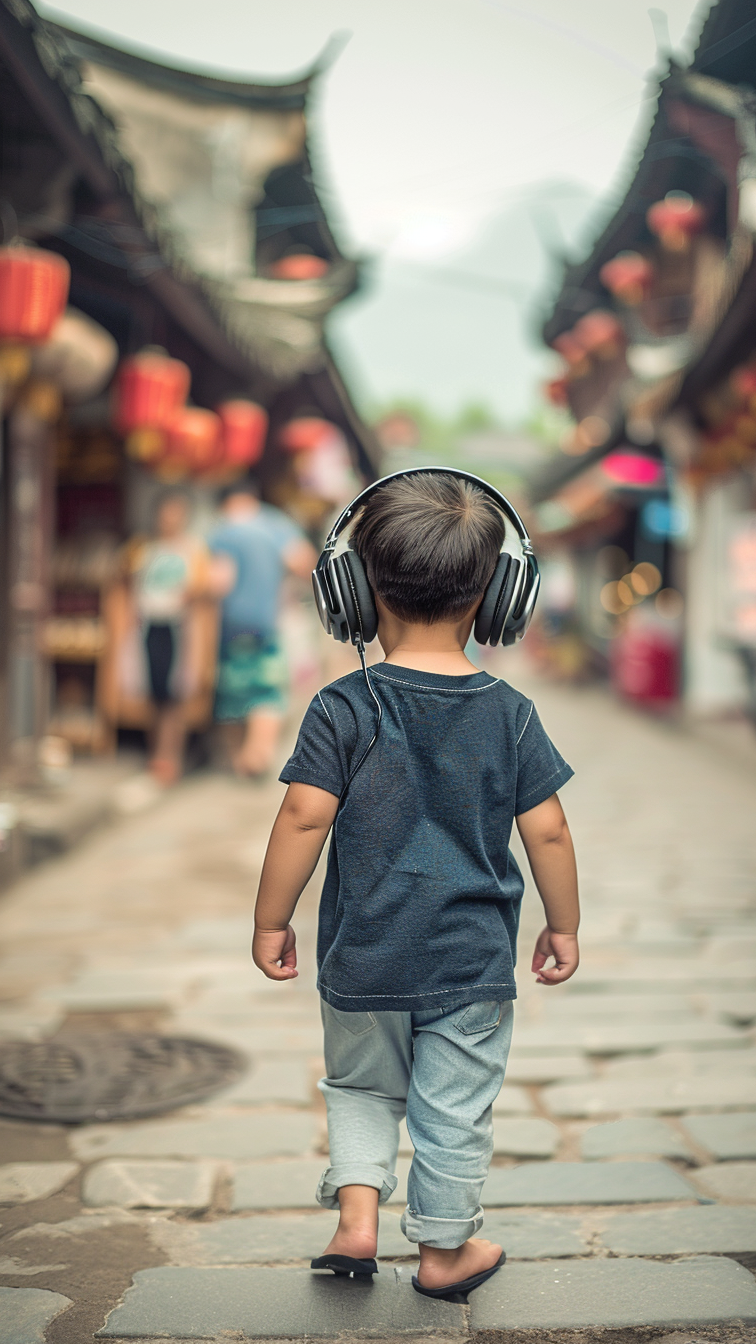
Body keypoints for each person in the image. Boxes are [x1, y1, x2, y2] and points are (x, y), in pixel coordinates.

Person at [252, 471, 579, 1301]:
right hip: (468, 962)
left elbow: (300, 818)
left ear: (352, 594)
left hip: (361, 954)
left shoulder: (341, 706)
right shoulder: (511, 714)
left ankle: (355, 1222)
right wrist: (563, 926)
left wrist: (271, 921)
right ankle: (442, 1253)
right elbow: (548, 829)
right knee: (454, 1104)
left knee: (360, 1084)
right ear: (500, 598)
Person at [208, 479, 315, 776]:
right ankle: (258, 754)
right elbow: (303, 562)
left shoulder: (222, 532)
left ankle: (235, 758)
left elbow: (220, 581)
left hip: (230, 627)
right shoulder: (275, 524)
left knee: (231, 690)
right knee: (266, 690)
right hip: (267, 623)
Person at [128, 488, 210, 785]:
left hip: (178, 628)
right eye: (166, 511)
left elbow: (202, 587)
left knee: (174, 694)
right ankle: (156, 754)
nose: (170, 518)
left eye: (176, 512)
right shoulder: (144, 549)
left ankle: (169, 756)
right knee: (155, 692)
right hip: (149, 626)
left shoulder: (192, 550)